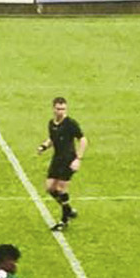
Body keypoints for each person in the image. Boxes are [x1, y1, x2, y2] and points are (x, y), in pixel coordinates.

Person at [36, 96, 86, 232]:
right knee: (50, 188)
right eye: (58, 109)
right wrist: (43, 146)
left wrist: (78, 159)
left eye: (63, 109)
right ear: (53, 109)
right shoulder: (51, 123)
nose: (61, 111)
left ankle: (64, 221)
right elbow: (53, 138)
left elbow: (83, 140)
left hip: (68, 160)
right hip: (57, 158)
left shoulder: (70, 123)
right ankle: (68, 209)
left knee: (62, 189)